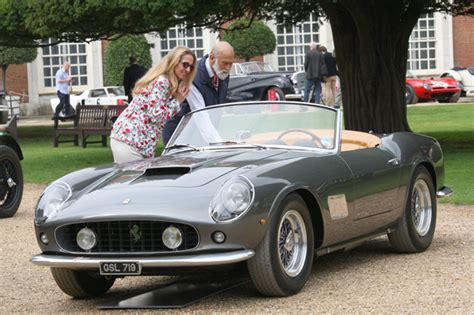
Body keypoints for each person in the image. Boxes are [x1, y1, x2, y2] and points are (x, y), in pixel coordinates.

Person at [110, 46, 196, 163]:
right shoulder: (163, 82)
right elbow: (156, 115)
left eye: (191, 67)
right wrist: (177, 101)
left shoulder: (168, 83)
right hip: (129, 140)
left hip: (137, 142)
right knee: (132, 180)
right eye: (185, 64)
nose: (188, 70)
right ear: (174, 61)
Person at [162, 41, 235, 146]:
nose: (228, 68)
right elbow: (200, 115)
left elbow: (217, 109)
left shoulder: (222, 74)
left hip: (202, 137)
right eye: (225, 63)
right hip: (179, 136)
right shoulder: (193, 76)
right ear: (212, 57)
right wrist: (219, 143)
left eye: (230, 63)